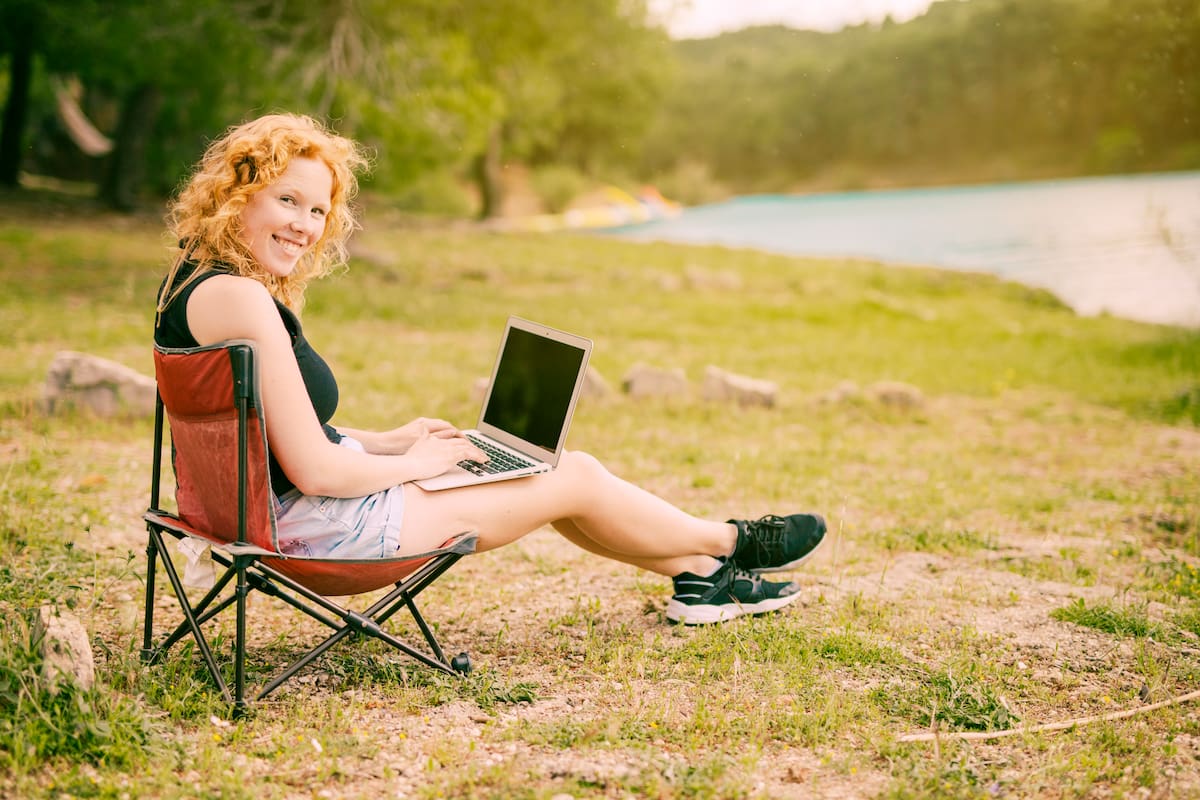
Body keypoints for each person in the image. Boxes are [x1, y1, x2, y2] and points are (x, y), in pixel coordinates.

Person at [154, 113, 826, 626]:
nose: (304, 224)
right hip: (317, 531)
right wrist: (414, 465)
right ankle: (732, 541)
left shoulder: (197, 288)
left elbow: (267, 428)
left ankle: (704, 572)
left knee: (540, 468)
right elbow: (318, 472)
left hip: (272, 517)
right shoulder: (240, 299)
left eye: (318, 209)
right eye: (287, 200)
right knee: (572, 473)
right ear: (238, 195)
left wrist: (388, 440)